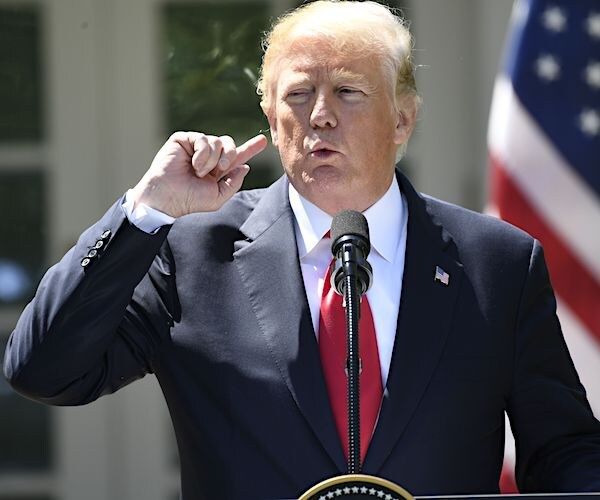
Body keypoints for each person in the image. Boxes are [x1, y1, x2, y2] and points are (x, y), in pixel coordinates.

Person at [4, 1, 600, 498]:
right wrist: (146, 211)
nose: (320, 116)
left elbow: (565, 452)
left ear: (403, 119)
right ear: (268, 115)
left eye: (348, 91)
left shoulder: (496, 262)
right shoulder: (190, 250)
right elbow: (44, 371)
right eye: (298, 94)